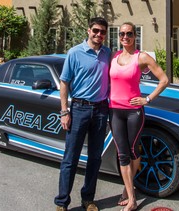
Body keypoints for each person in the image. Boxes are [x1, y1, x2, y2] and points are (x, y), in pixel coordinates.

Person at [109, 22, 169, 211]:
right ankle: (131, 196)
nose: (125, 37)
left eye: (129, 33)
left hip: (134, 112)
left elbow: (164, 79)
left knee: (134, 151)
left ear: (135, 36)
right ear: (118, 36)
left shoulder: (141, 57)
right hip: (114, 111)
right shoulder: (114, 56)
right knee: (122, 154)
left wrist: (147, 99)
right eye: (122, 34)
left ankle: (129, 189)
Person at [54, 17, 111, 211]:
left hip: (101, 110)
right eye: (95, 30)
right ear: (88, 30)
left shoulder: (107, 53)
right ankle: (62, 202)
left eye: (102, 32)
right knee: (71, 158)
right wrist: (64, 111)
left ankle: (88, 199)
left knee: (95, 158)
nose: (98, 34)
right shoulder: (75, 53)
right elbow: (64, 82)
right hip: (79, 109)